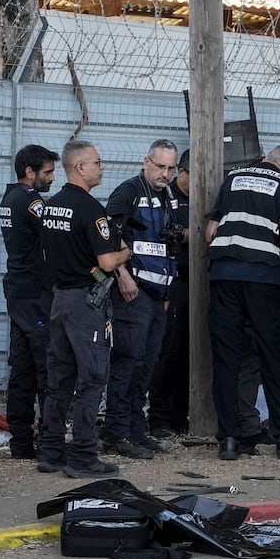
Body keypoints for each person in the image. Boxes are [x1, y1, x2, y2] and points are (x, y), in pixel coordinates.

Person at [37, 140, 132, 478]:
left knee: (59, 379)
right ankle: (82, 456)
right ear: (80, 167)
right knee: (92, 378)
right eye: (97, 162)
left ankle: (50, 452)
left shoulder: (52, 206)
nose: (102, 167)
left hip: (60, 300)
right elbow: (107, 260)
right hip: (86, 303)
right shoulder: (91, 209)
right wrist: (126, 252)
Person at [206, 147, 280, 460]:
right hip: (263, 278)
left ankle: (230, 440)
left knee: (226, 357)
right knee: (271, 355)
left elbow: (210, 231)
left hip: (224, 274)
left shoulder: (232, 178)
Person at [100, 139, 185, 460]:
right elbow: (107, 234)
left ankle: (136, 430)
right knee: (128, 362)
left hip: (157, 295)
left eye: (170, 168)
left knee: (147, 365)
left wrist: (165, 294)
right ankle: (116, 433)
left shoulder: (167, 197)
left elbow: (168, 247)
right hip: (131, 292)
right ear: (146, 161)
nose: (165, 174)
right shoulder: (128, 191)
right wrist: (122, 276)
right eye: (160, 166)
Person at [0, 143, 58, 460]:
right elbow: (55, 231)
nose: (52, 178)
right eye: (47, 172)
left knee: (21, 371)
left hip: (19, 293)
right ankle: (49, 442)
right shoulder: (29, 200)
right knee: (46, 370)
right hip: (35, 296)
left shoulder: (9, 198)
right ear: (29, 172)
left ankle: (21, 443)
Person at [146, 150, 191, 437]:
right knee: (167, 352)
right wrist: (192, 232)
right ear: (184, 173)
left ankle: (179, 416)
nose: (169, 173)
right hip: (168, 283)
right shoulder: (165, 196)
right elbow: (164, 233)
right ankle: (160, 419)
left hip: (196, 285)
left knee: (190, 352)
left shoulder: (207, 197)